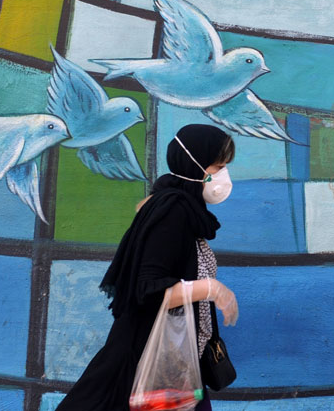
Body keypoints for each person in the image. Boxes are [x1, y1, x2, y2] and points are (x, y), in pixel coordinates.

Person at [58, 123, 240, 411]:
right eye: (218, 166)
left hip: (177, 365)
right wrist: (212, 289)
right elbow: (149, 290)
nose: (223, 175)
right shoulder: (173, 212)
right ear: (194, 165)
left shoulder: (184, 211)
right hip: (148, 363)